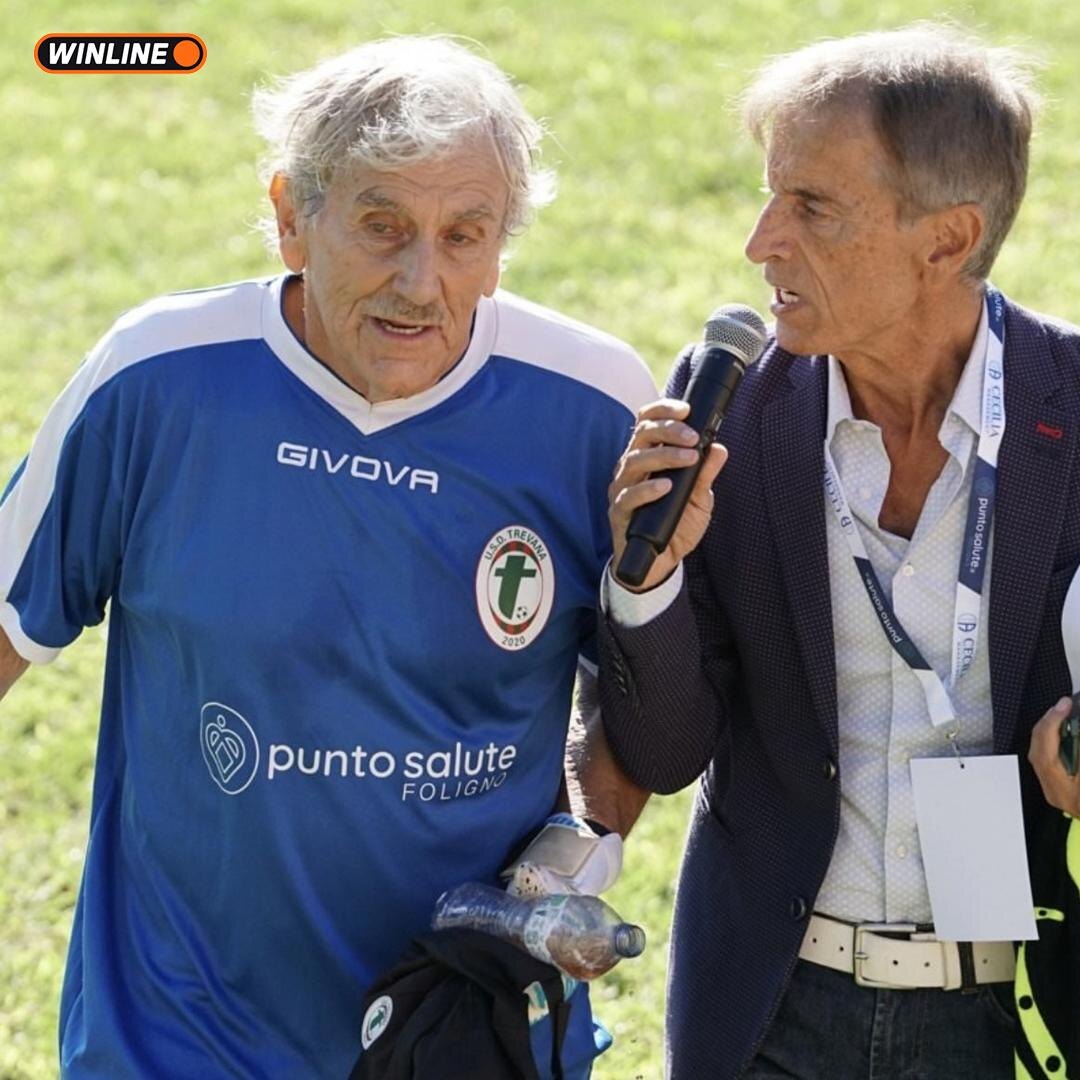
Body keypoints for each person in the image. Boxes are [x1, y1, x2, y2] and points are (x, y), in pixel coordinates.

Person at [0, 36, 653, 1078]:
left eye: (464, 236)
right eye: (382, 226)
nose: (421, 282)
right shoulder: (159, 381)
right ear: (290, 216)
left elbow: (655, 680)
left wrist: (582, 842)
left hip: (468, 1036)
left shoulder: (594, 408)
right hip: (177, 1038)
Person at [599, 24, 1080, 1079]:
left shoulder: (1073, 408)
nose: (760, 242)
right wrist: (648, 580)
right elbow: (667, 751)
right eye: (769, 195)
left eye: (811, 206)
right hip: (772, 1009)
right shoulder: (733, 408)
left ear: (947, 240)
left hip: (1021, 1017)